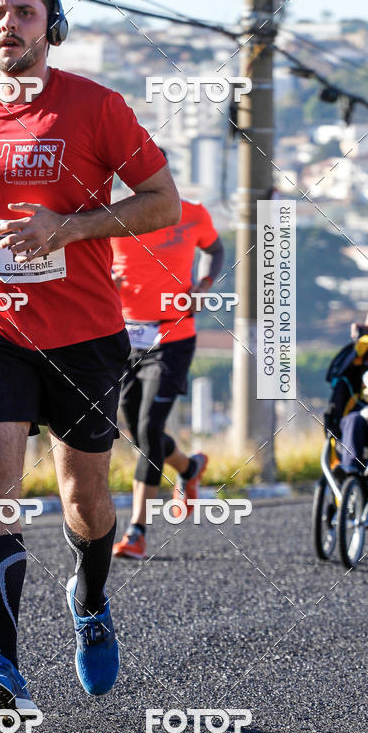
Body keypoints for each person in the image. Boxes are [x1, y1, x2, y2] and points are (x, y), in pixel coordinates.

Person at [0, 0, 181, 720]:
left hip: (85, 336)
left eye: (27, 11)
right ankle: (2, 666)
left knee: (85, 498)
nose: (11, 23)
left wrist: (68, 228)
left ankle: (92, 596)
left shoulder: (97, 107)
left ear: (53, 25)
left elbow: (162, 203)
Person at [110, 163, 224, 560]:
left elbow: (215, 248)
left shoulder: (192, 214)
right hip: (124, 338)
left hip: (173, 336)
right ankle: (189, 468)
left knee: (149, 426)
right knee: (138, 434)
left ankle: (137, 530)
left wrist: (204, 284)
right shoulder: (112, 218)